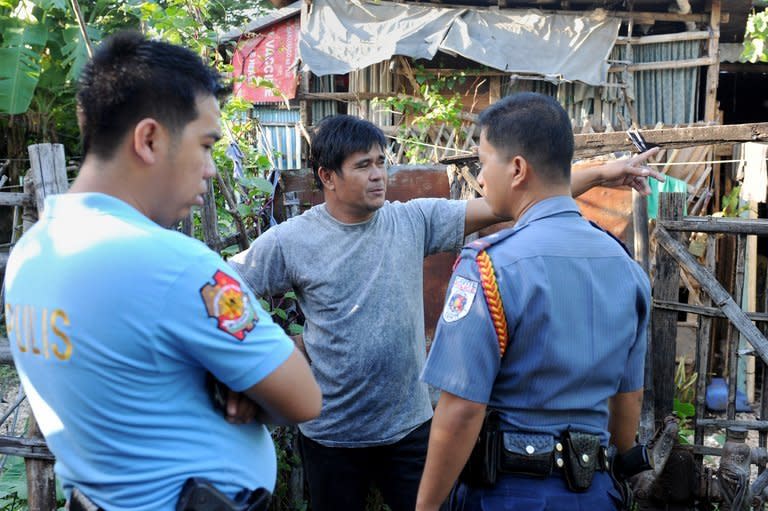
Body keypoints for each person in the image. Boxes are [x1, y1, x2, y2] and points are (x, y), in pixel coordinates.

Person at [228, 112, 658, 511]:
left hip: (409, 429)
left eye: (382, 162)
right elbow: (229, 285)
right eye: (363, 166)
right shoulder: (291, 241)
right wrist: (273, 346)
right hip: (331, 435)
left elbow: (512, 199)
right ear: (327, 176)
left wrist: (603, 172)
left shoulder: (411, 220)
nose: (379, 175)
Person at [3, 31, 321, 511]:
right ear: (149, 139)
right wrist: (248, 384)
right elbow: (304, 400)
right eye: (206, 144)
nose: (211, 169)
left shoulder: (32, 253)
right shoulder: (173, 265)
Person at [415, 92, 651, 511]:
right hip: (594, 493)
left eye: (484, 163)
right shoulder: (628, 269)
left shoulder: (489, 267)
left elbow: (461, 411)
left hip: (508, 493)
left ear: (518, 169)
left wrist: (427, 507)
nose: (481, 179)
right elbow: (626, 410)